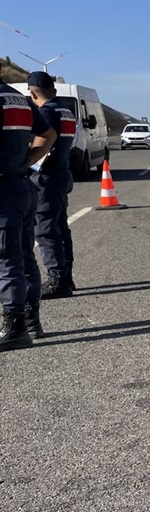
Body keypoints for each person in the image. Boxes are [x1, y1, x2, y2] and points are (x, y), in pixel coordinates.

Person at [0, 80, 56, 351]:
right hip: (21, 185)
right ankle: (32, 322)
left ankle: (15, 327)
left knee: (6, 258)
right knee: (23, 255)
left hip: (3, 190)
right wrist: (25, 161)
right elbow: (49, 136)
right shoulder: (19, 99)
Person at [26, 71, 76, 299]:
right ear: (53, 90)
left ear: (32, 94)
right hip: (62, 171)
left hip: (46, 175)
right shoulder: (65, 110)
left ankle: (57, 280)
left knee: (45, 229)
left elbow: (42, 142)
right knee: (60, 227)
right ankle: (66, 276)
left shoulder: (45, 113)